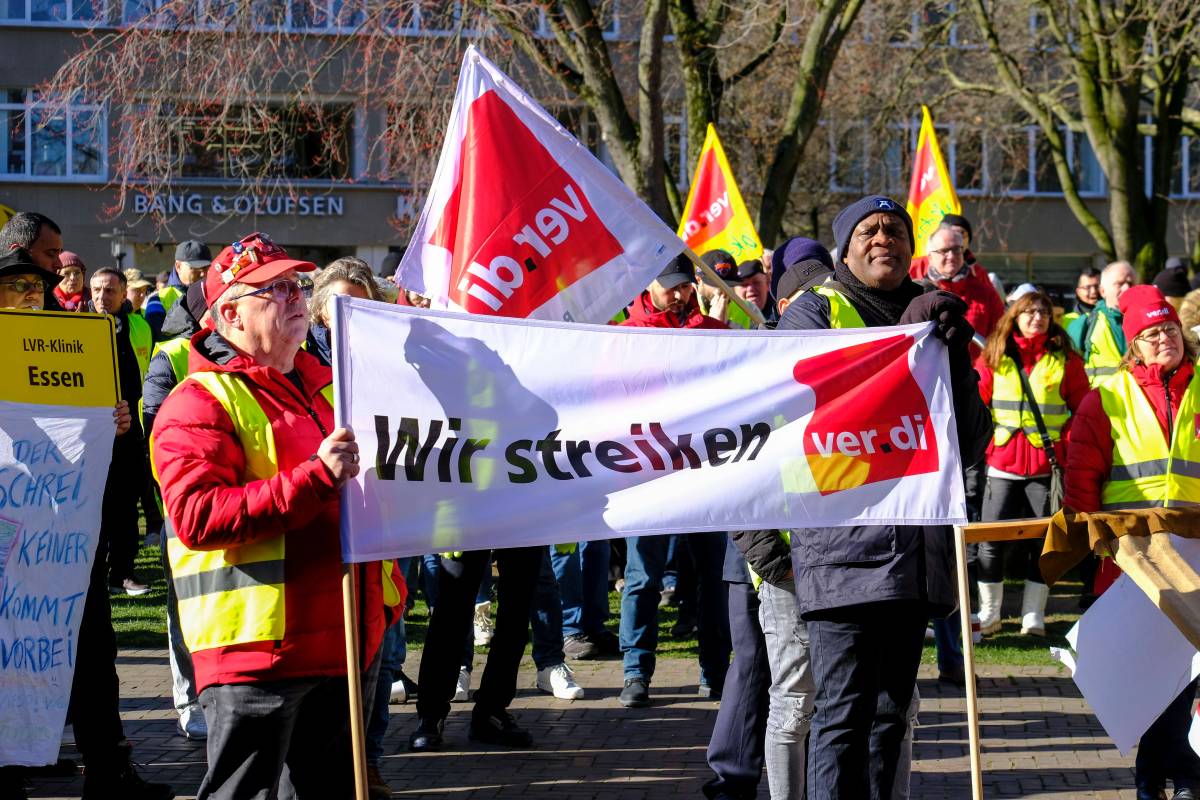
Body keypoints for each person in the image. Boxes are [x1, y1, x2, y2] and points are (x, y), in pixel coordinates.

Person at [151, 232, 395, 799]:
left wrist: (388, 597)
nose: (295, 297)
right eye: (275, 289)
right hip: (257, 655)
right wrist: (316, 476)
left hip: (346, 641)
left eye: (296, 286)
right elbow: (196, 516)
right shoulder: (197, 402)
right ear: (231, 314)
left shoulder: (329, 389)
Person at [777, 195, 992, 799]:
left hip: (914, 554)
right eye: (868, 231)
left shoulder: (935, 316)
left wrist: (952, 356)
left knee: (891, 717)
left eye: (895, 230)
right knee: (842, 715)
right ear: (844, 250)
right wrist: (905, 339)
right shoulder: (814, 311)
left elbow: (971, 441)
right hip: (842, 549)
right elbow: (816, 411)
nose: (883, 239)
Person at [0, 249, 172, 800]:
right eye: (18, 285)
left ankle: (106, 769)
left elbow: (86, 419)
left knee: (89, 648)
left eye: (37, 286)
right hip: (9, 535)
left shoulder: (76, 342)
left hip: (65, 536)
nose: (31, 295)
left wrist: (111, 421)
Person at [1065, 284, 1200, 800]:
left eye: (1170, 329)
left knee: (1187, 673)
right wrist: (1100, 543)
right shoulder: (1106, 399)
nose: (1164, 338)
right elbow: (1082, 480)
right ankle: (1168, 778)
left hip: (1196, 555)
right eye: (1151, 333)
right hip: (1133, 559)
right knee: (1153, 677)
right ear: (1133, 346)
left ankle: (1170, 778)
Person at [615, 256, 731, 707]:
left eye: (685, 286)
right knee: (643, 576)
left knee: (713, 576)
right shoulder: (624, 337)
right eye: (671, 287)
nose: (680, 295)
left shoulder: (711, 331)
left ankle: (715, 672)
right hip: (647, 475)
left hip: (704, 474)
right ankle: (635, 672)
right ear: (649, 285)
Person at [973, 290, 1088, 637]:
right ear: (1015, 317)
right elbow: (977, 406)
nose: (1037, 318)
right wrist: (988, 444)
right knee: (990, 541)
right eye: (1030, 312)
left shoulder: (1066, 359)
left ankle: (1033, 617)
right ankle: (989, 615)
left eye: (1043, 313)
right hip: (1001, 463)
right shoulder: (994, 356)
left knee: (1044, 542)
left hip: (1045, 466)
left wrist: (1064, 445)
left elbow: (1082, 409)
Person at [141, 279, 211, 742]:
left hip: (243, 498)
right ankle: (189, 699)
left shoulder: (262, 354)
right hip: (184, 502)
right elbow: (155, 428)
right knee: (183, 602)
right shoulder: (172, 356)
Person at [89, 267, 154, 596]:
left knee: (126, 503)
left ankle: (123, 573)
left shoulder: (140, 326)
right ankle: (93, 572)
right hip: (91, 430)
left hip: (131, 429)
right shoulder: (77, 325)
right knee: (94, 504)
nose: (102, 296)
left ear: (124, 293)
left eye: (110, 290)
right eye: (97, 290)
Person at [916, 224, 1005, 356]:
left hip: (975, 368)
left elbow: (1001, 338)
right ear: (930, 257)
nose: (951, 256)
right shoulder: (916, 293)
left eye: (956, 249)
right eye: (944, 250)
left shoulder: (986, 294)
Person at [1067, 260, 1137, 386]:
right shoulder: (1085, 324)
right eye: (1119, 284)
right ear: (1103, 291)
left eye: (1130, 283)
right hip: (1101, 397)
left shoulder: (1149, 322)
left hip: (1139, 397)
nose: (1127, 288)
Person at [307, 256, 383, 367]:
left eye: (360, 307)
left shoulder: (381, 351)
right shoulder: (299, 349)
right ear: (320, 307)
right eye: (342, 304)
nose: (351, 314)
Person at [144, 240, 211, 339]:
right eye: (195, 268)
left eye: (205, 268)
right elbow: (158, 339)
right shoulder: (158, 300)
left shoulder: (213, 294)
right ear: (178, 266)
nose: (202, 274)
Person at [0, 211, 65, 311]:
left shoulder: (53, 309)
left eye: (39, 285)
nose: (60, 264)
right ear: (16, 250)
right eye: (51, 253)